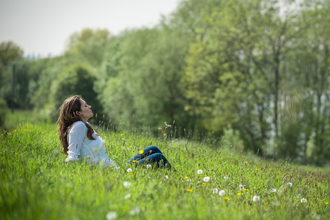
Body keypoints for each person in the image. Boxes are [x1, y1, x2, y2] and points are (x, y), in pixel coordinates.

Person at [57, 95, 172, 169]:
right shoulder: (79, 126)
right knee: (158, 157)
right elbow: (73, 156)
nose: (89, 106)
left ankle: (173, 178)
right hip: (113, 173)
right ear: (78, 112)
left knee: (153, 149)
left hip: (115, 168)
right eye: (86, 105)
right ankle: (177, 180)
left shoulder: (85, 125)